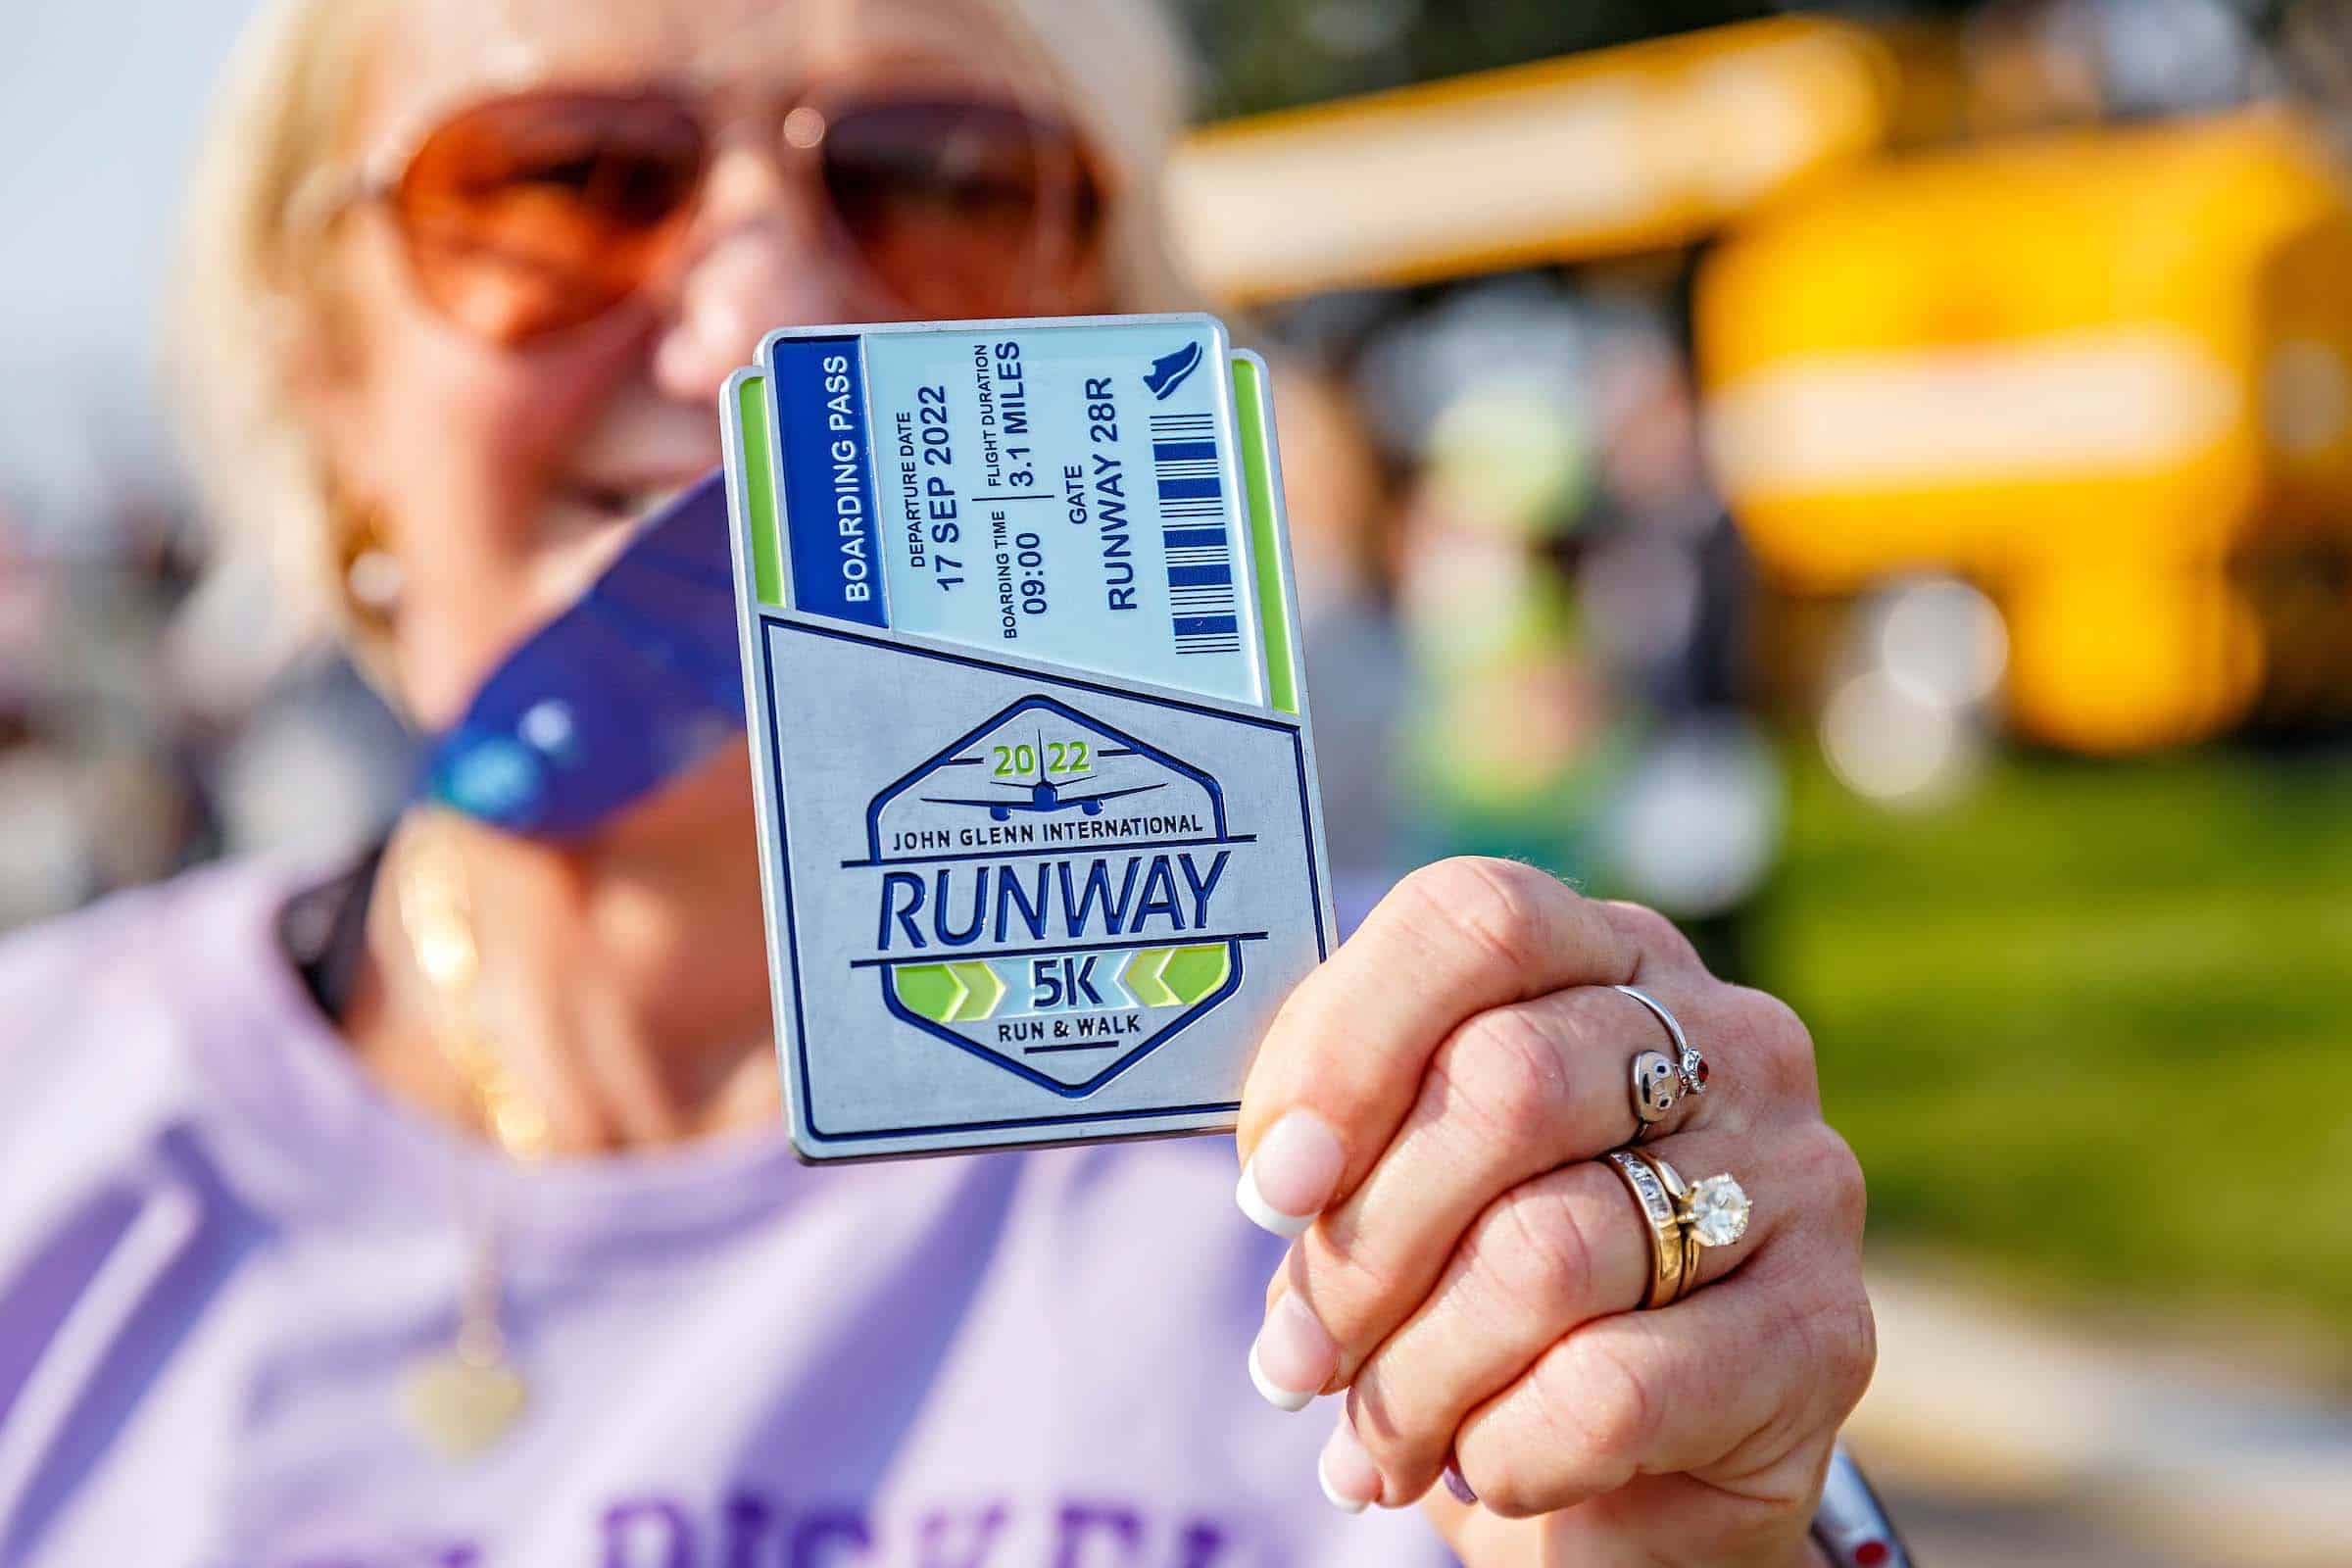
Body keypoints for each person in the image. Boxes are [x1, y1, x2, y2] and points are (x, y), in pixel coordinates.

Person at [0, 0, 1876, 1561]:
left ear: (1109, 319)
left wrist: (1706, 1517)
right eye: (568, 181)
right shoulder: (42, 1139)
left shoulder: (1391, 1167)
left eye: (943, 182)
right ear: (321, 367)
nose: (754, 321)